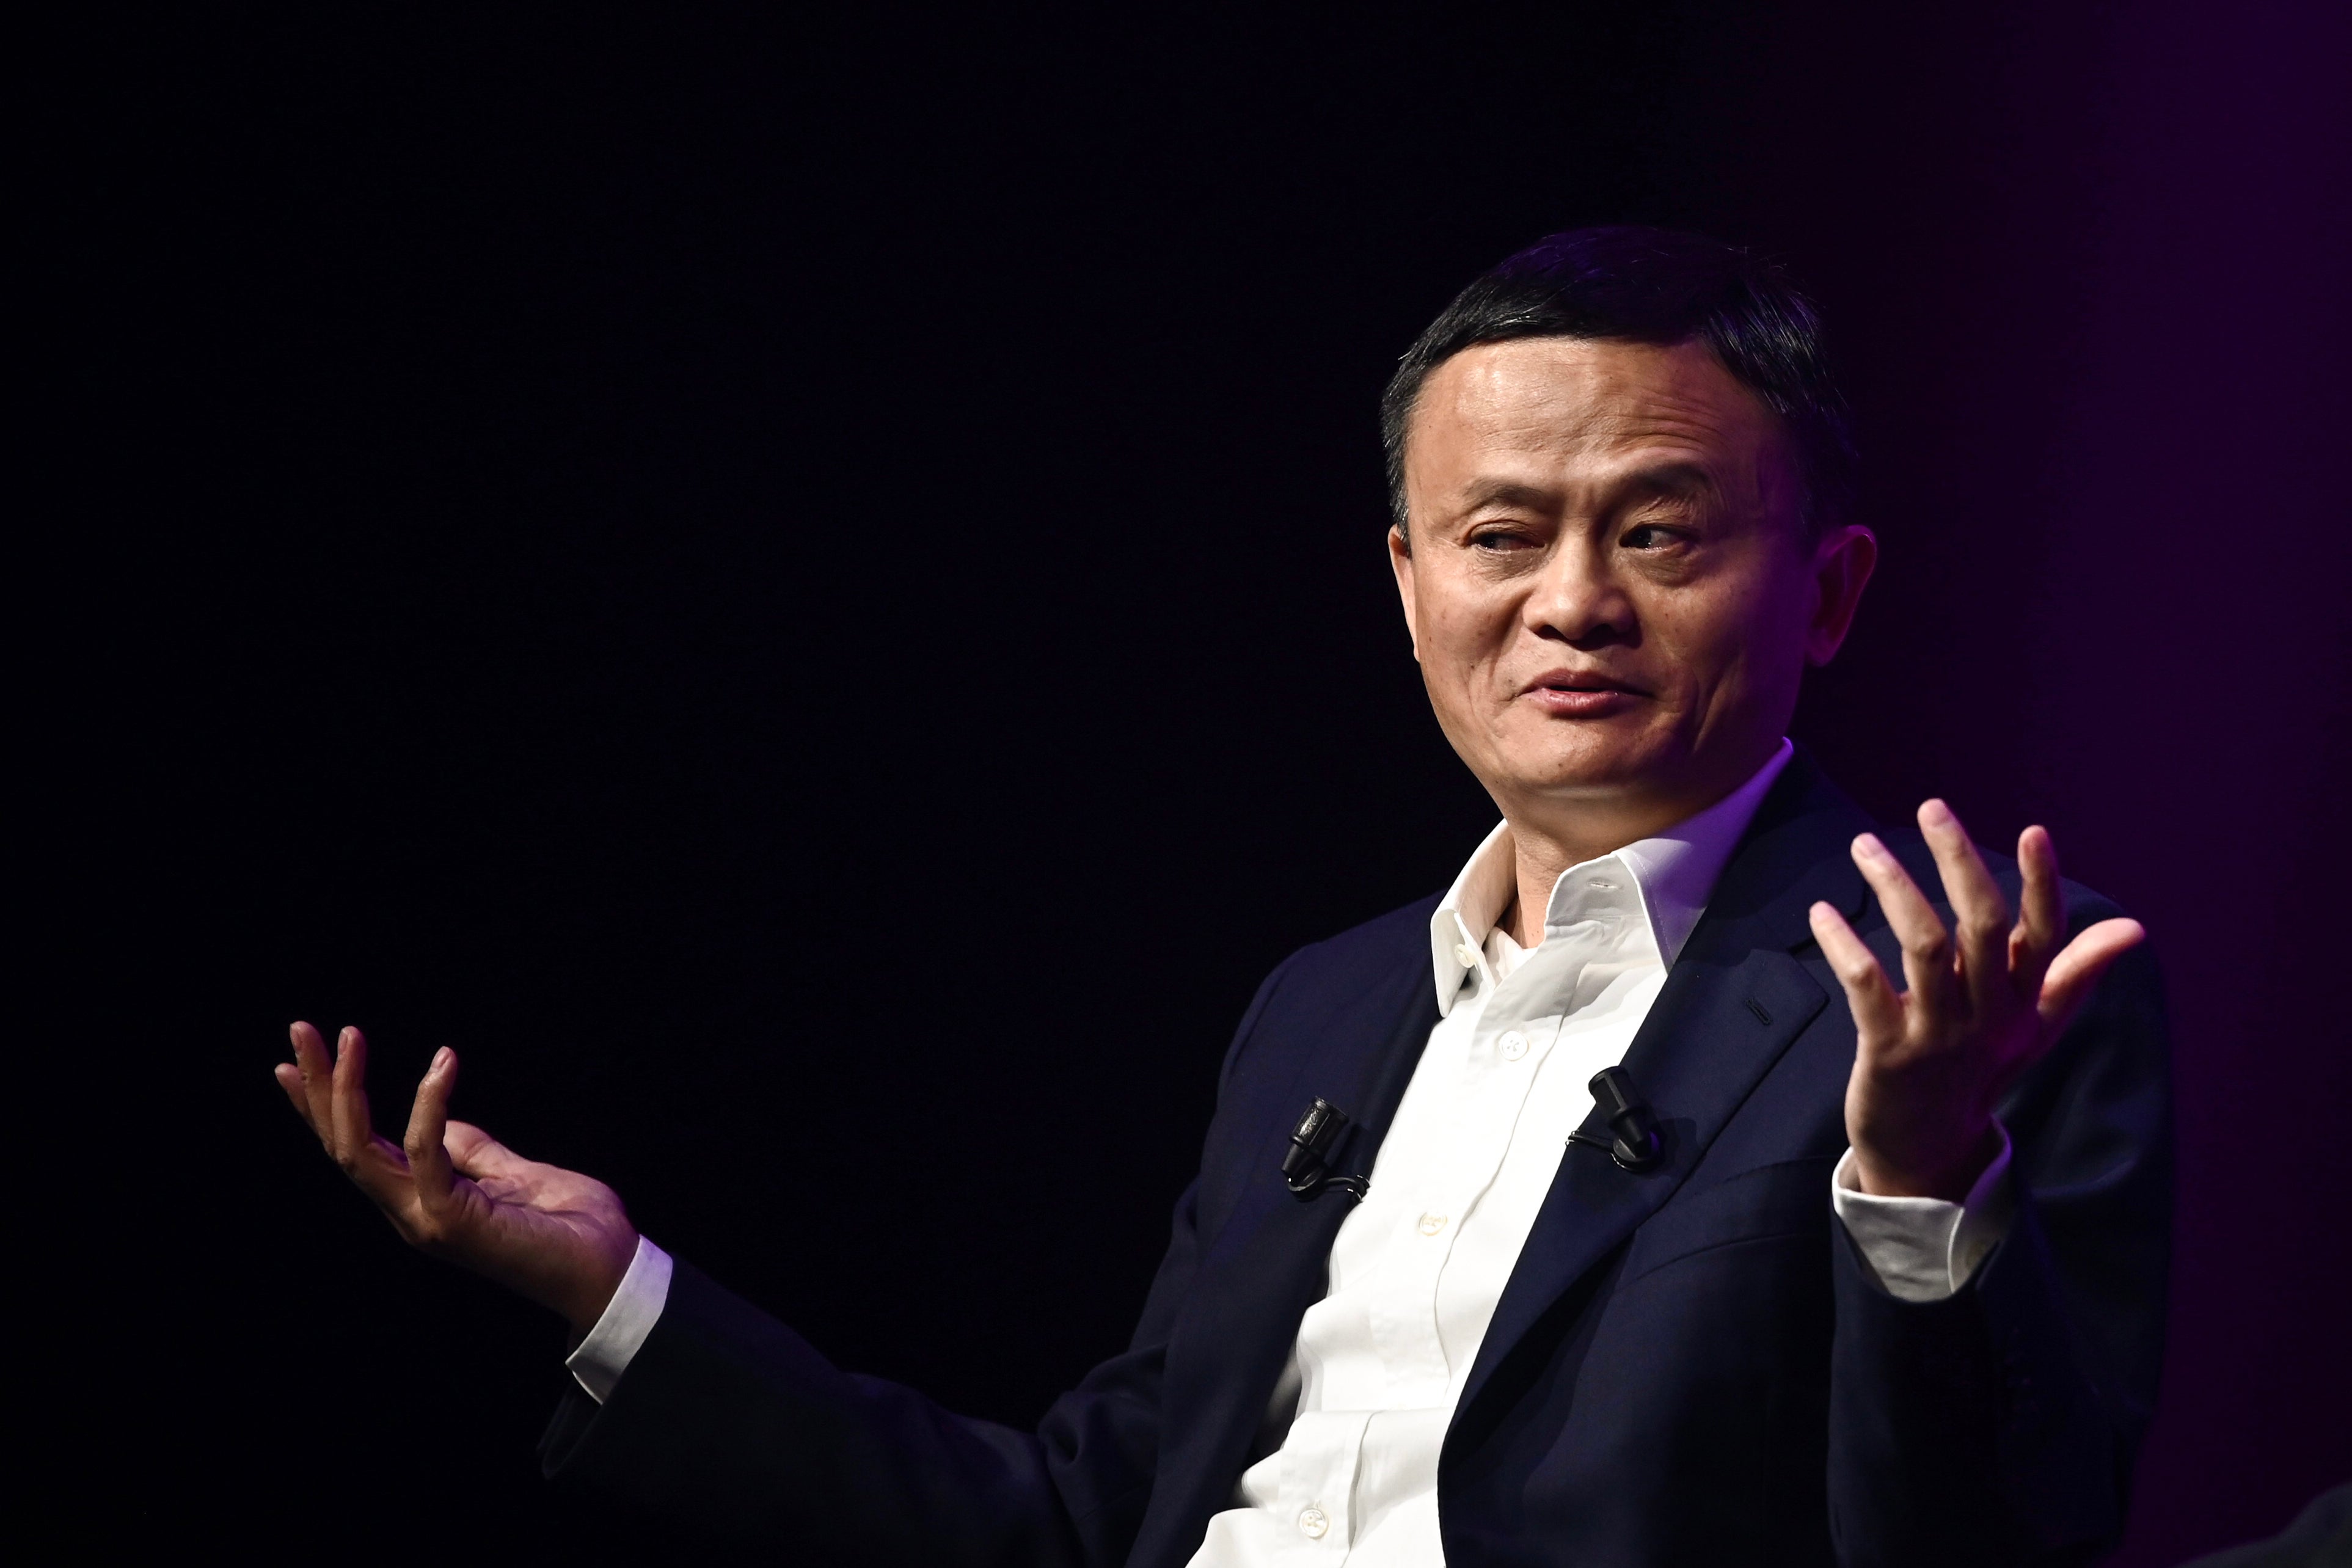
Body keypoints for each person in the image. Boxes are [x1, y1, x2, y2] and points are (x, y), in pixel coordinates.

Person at [274, 227, 2171, 1565]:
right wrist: (622, 1296)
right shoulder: (1329, 1008)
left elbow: (2004, 1530)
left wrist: (1917, 1182)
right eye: (1501, 535)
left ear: (1826, 593)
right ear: (1409, 583)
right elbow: (1088, 1520)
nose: (1572, 601)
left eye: (1658, 533)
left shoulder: (1977, 986)